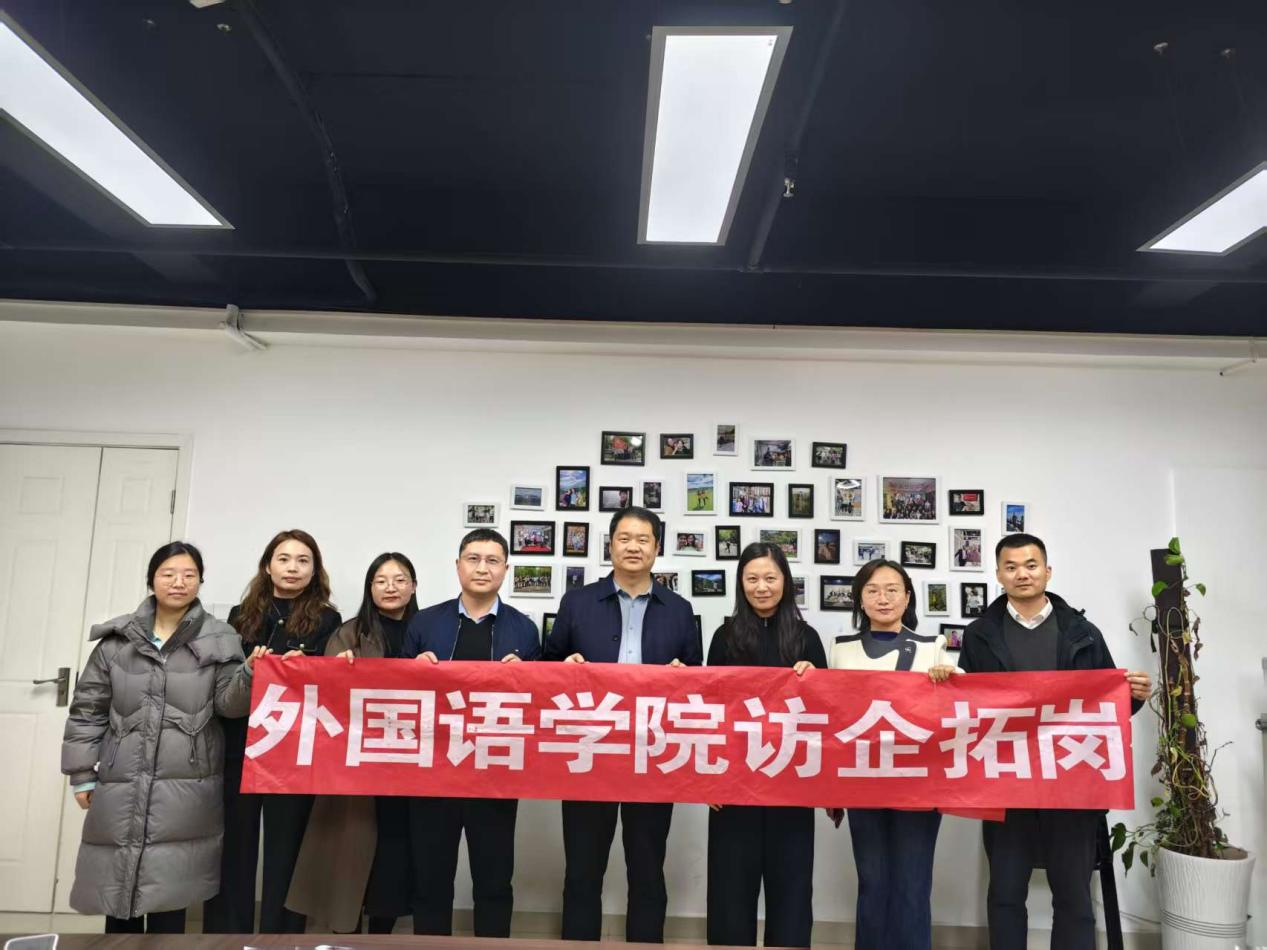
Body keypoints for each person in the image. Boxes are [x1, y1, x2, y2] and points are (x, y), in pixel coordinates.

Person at [958, 534, 1151, 950]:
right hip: (1006, 783)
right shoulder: (979, 635)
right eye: (1011, 567)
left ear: (1047, 571)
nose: (1022, 574)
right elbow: (965, 708)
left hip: (1071, 782)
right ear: (998, 576)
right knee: (1005, 893)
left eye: (1031, 565)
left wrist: (1133, 696)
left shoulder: (1082, 631)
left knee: (1074, 896)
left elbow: (1106, 707)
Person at [61, 542, 264, 933]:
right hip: (122, 778)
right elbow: (88, 709)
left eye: (189, 575)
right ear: (152, 580)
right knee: (119, 886)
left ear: (200, 581)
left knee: (171, 891)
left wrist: (248, 675)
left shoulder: (220, 638)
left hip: (186, 783)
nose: (179, 582)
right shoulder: (118, 640)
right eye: (168, 574)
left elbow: (229, 706)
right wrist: (82, 774)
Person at [543, 506, 702, 943]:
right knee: (583, 868)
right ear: (610, 545)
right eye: (625, 538)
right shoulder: (577, 602)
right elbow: (549, 664)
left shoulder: (679, 609)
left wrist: (682, 675)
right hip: (589, 750)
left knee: (648, 868)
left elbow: (697, 679)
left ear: (657, 548)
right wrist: (565, 665)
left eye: (643, 539)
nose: (634, 547)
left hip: (653, 752)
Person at [402, 528, 541, 937]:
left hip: (494, 772)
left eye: (493, 561)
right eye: (473, 559)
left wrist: (527, 678)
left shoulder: (524, 629)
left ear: (506, 570)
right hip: (433, 772)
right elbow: (398, 696)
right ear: (458, 565)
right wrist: (413, 671)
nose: (482, 568)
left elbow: (539, 705)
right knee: (430, 880)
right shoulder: (425, 622)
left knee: (494, 881)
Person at [204, 529, 342, 934]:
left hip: (292, 748)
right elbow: (224, 682)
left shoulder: (328, 619)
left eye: (302, 560)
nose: (292, 568)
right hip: (242, 743)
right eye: (284, 559)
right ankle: (228, 936)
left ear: (314, 570)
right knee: (236, 844)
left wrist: (305, 667)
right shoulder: (240, 615)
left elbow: (330, 684)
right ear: (268, 566)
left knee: (287, 847)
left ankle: (282, 937)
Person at [286, 552, 421, 934]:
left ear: (413, 587)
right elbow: (327, 701)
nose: (391, 587)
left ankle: (381, 935)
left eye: (400, 579)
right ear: (369, 587)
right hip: (358, 765)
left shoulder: (428, 630)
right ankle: (346, 934)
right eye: (381, 580)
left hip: (410, 765)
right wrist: (335, 671)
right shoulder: (348, 633)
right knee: (351, 854)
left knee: (394, 856)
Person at [828, 558, 959, 950]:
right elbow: (830, 719)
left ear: (907, 597)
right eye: (872, 590)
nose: (882, 598)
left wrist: (949, 677)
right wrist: (829, 786)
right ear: (860, 599)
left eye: (891, 590)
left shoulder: (932, 646)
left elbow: (962, 703)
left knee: (912, 883)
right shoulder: (840, 649)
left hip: (918, 784)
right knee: (872, 882)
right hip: (861, 781)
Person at [706, 542, 826, 948]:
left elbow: (826, 717)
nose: (762, 587)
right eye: (752, 578)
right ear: (740, 583)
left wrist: (815, 679)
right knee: (729, 890)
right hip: (733, 786)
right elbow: (709, 711)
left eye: (770, 578)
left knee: (791, 890)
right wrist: (710, 779)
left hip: (791, 785)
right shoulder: (724, 637)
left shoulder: (807, 638)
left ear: (785, 582)